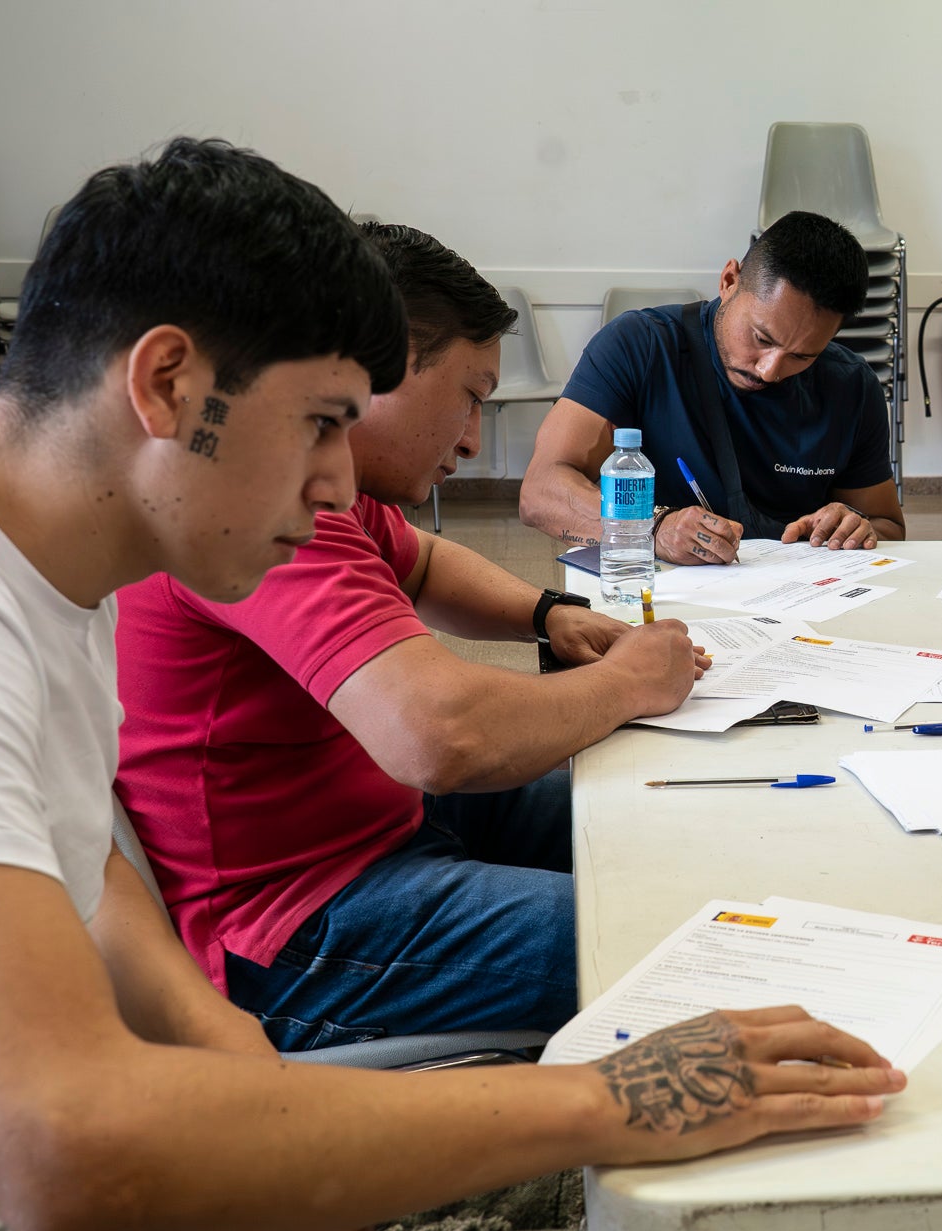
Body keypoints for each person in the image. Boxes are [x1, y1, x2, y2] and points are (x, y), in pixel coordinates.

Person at [0, 137, 902, 1231]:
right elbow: (55, 1151)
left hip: (140, 1122)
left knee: (681, 1202)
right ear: (168, 386)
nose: (344, 486)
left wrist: (206, 1029)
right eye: (320, 425)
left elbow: (77, 844)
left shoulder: (54, 562)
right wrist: (606, 1100)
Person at [115, 220, 707, 1053]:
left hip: (378, 828)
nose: (472, 437)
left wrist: (551, 614)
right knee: (671, 933)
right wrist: (629, 683)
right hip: (300, 930)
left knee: (660, 822)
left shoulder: (327, 479)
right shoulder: (264, 500)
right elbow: (442, 734)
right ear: (375, 370)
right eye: (469, 395)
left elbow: (421, 561)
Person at [520, 210, 905, 564]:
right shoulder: (640, 346)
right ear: (729, 281)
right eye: (761, 337)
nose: (770, 370)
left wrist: (856, 525)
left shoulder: (851, 387)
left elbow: (889, 526)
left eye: (802, 357)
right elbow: (540, 492)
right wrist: (653, 529)